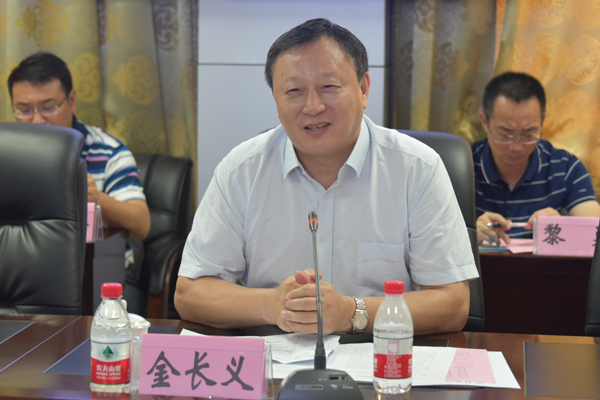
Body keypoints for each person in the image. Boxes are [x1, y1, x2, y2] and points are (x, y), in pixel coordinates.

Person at [175, 18, 478, 336]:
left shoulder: (417, 168)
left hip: (380, 357)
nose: (313, 106)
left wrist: (351, 312)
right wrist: (274, 305)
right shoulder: (240, 171)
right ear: (276, 101)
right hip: (274, 360)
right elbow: (190, 293)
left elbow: (453, 304)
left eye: (329, 87)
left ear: (363, 89)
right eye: (294, 91)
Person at [8, 52, 151, 310]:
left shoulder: (109, 152)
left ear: (71, 100)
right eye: (24, 110)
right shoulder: (7, 153)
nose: (37, 120)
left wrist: (96, 199)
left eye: (48, 107)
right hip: (19, 275)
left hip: (100, 273)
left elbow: (141, 224)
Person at [473, 72, 600, 246]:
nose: (516, 147)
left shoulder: (565, 168)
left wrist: (564, 228)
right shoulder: (461, 167)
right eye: (505, 134)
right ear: (485, 122)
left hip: (544, 264)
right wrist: (466, 233)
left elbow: (595, 235)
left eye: (528, 134)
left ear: (542, 121)